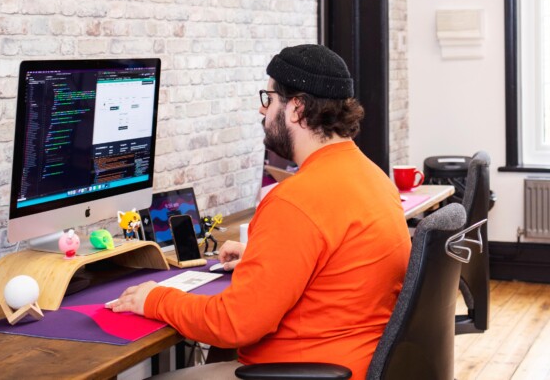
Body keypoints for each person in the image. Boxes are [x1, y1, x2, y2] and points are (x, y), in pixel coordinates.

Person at [108, 44, 411, 380]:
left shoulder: (295, 199)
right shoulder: (373, 177)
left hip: (299, 371)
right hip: (355, 362)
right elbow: (340, 266)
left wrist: (154, 298)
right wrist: (265, 256)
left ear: (296, 108)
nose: (261, 110)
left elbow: (234, 323)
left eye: (268, 99)